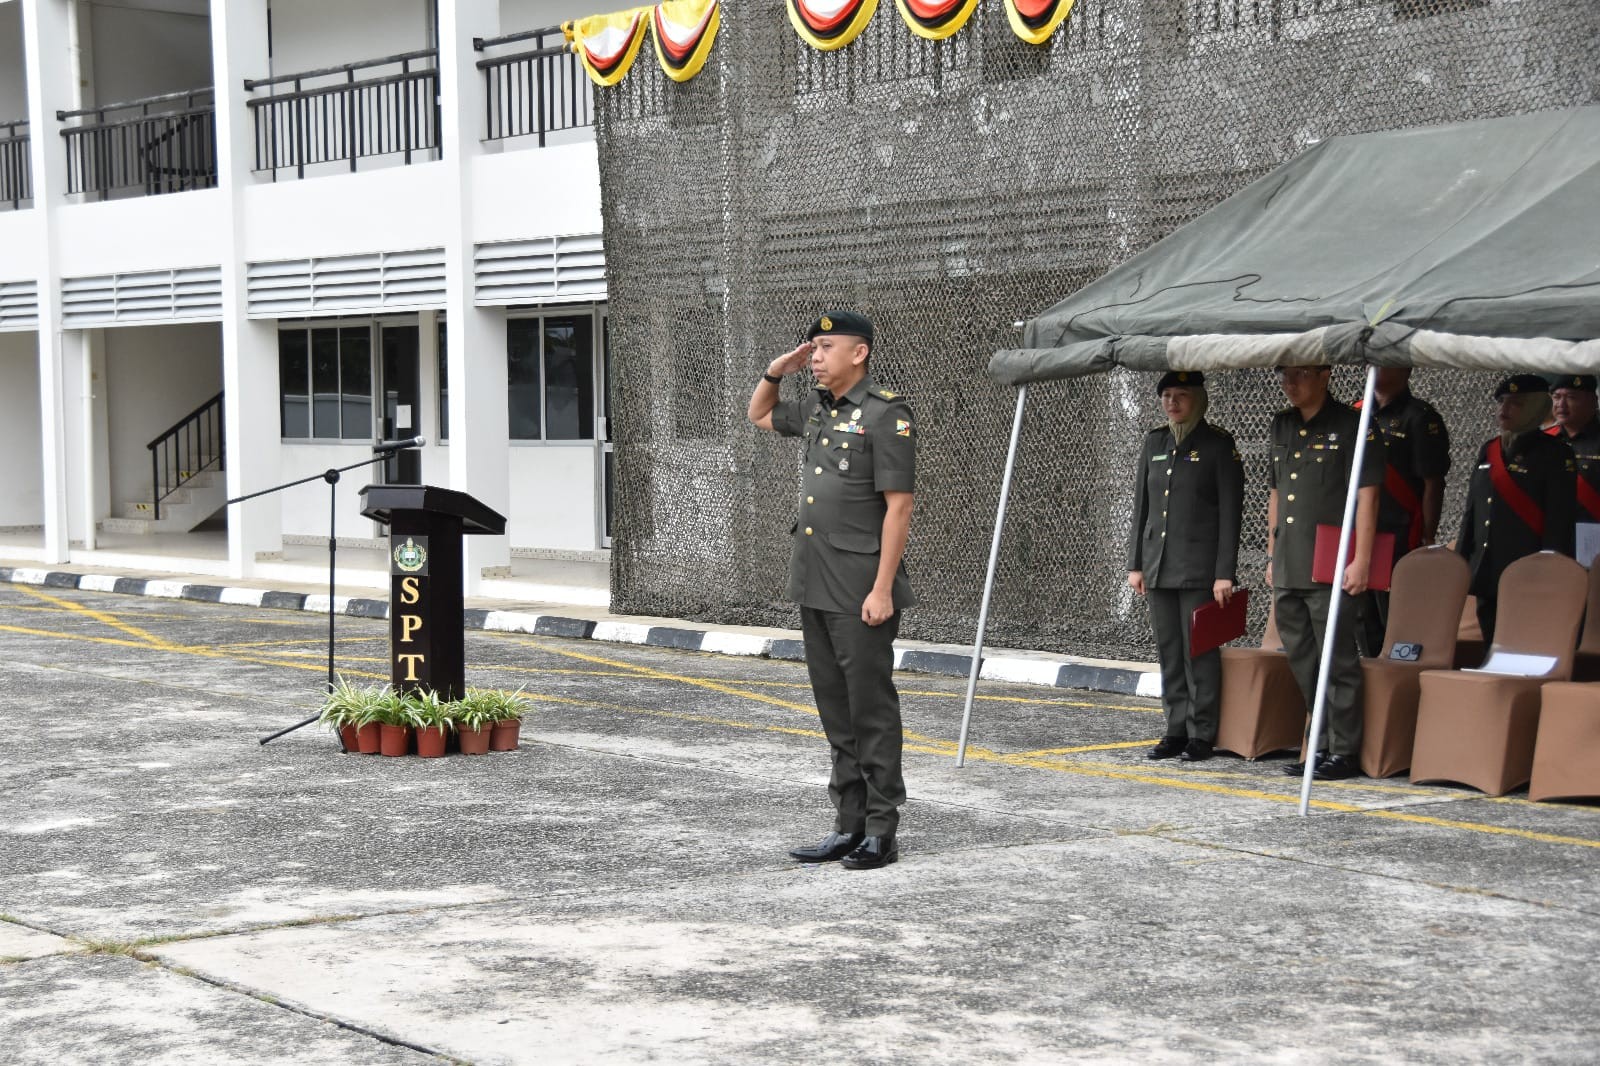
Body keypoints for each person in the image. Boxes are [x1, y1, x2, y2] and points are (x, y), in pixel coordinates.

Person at [747, 311, 915, 871]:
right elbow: (760, 414)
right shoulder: (821, 409)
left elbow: (898, 508)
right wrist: (777, 370)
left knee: (870, 710)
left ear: (859, 353)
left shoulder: (886, 414)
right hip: (815, 582)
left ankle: (881, 830)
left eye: (824, 348)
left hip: (859, 587)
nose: (814, 357)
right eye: (812, 349)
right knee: (835, 712)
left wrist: (882, 589)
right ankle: (848, 824)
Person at [1267, 365, 1385, 782]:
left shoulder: (1353, 425)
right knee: (1303, 659)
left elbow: (1368, 495)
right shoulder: (1281, 424)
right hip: (1289, 561)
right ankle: (1318, 742)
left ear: (1324, 376)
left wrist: (1363, 559)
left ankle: (1345, 749)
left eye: (1299, 375)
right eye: (1284, 376)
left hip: (1331, 563)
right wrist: (1271, 554)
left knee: (1337, 660)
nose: (1290, 384)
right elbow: (1277, 492)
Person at [1126, 371, 1244, 763]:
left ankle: (1202, 732)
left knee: (1200, 653)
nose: (1172, 403)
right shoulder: (1154, 442)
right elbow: (1141, 508)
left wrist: (1224, 572)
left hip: (1198, 569)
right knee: (1169, 651)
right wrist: (1136, 564)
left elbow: (1230, 513)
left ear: (1198, 399)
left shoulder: (1217, 445)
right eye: (1167, 396)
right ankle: (1175, 727)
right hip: (1159, 567)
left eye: (1181, 395)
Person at [1457, 375, 1576, 645]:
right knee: (1490, 638)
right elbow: (1472, 510)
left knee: (1523, 640)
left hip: (1527, 567)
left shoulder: (1555, 453)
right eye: (1501, 402)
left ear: (1535, 407)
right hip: (1487, 567)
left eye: (1516, 404)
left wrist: (1549, 566)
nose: (1504, 410)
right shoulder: (1489, 450)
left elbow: (1559, 518)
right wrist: (1463, 558)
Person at [1356, 367, 1451, 657]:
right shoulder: (1355, 413)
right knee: (1362, 616)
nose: (1374, 368)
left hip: (1397, 532)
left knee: (1395, 616)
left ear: (1405, 368)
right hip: (1358, 534)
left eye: (1384, 362)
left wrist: (1426, 535)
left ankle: (1398, 681)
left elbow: (1432, 482)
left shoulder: (1420, 417)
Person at [1547, 375, 1600, 538]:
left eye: (1571, 397)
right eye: (1556, 397)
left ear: (1593, 401)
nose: (1561, 405)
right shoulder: (1544, 441)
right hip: (1553, 536)